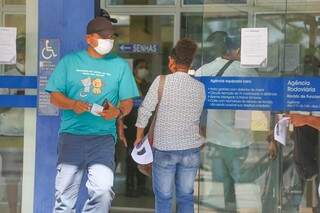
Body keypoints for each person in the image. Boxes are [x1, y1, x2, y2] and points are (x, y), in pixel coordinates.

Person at [45, 17, 139, 213]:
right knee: (64, 198)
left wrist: (118, 111)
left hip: (103, 139)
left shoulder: (119, 65)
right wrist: (72, 104)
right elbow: (54, 97)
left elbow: (128, 102)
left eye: (111, 37)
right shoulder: (69, 62)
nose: (108, 41)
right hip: (72, 137)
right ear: (89, 38)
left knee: (103, 191)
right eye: (103, 37)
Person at [135, 38, 205, 213]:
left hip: (165, 148)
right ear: (190, 62)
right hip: (190, 149)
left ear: (172, 61)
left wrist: (138, 137)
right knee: (186, 196)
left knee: (164, 197)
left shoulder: (161, 81)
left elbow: (145, 111)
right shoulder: (199, 87)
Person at [195, 31, 258, 211]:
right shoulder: (247, 71)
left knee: (222, 184)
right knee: (242, 185)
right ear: (236, 50)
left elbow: (194, 106)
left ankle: (227, 208)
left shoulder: (203, 71)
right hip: (239, 139)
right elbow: (260, 105)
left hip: (212, 140)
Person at [119, 59, 151, 197]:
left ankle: (142, 186)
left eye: (145, 67)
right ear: (135, 69)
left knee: (144, 157)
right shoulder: (128, 85)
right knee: (131, 159)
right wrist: (121, 124)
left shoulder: (148, 86)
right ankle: (130, 187)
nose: (144, 70)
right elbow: (122, 105)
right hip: (130, 126)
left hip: (145, 127)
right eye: (141, 67)